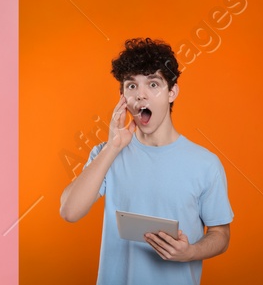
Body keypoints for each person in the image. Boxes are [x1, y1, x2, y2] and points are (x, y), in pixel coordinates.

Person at [60, 38, 234, 284]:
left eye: (153, 84)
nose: (140, 95)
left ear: (171, 92)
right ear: (122, 97)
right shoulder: (106, 153)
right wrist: (113, 147)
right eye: (131, 86)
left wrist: (190, 252)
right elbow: (69, 211)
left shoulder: (206, 164)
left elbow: (221, 235)